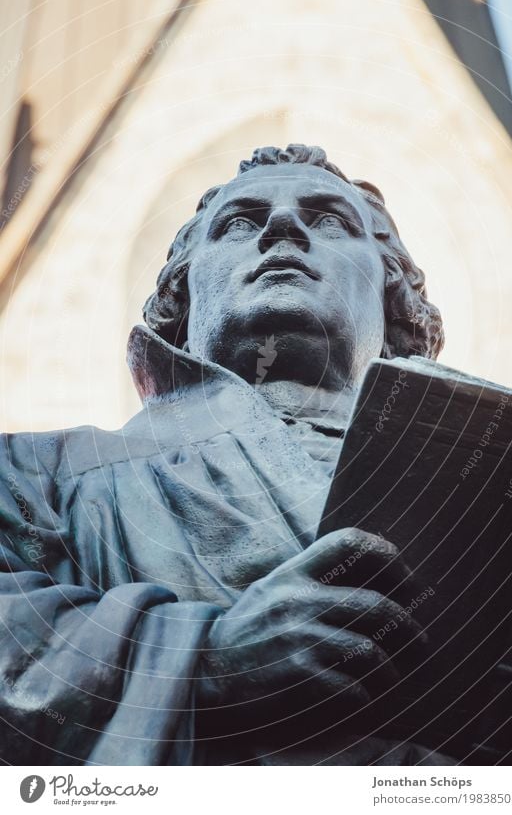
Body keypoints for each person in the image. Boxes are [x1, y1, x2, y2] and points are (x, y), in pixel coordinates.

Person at [0, 144, 452, 765]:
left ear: (391, 296)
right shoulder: (33, 478)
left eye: (329, 221)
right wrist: (204, 662)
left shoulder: (493, 485)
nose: (283, 228)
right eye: (239, 223)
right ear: (181, 303)